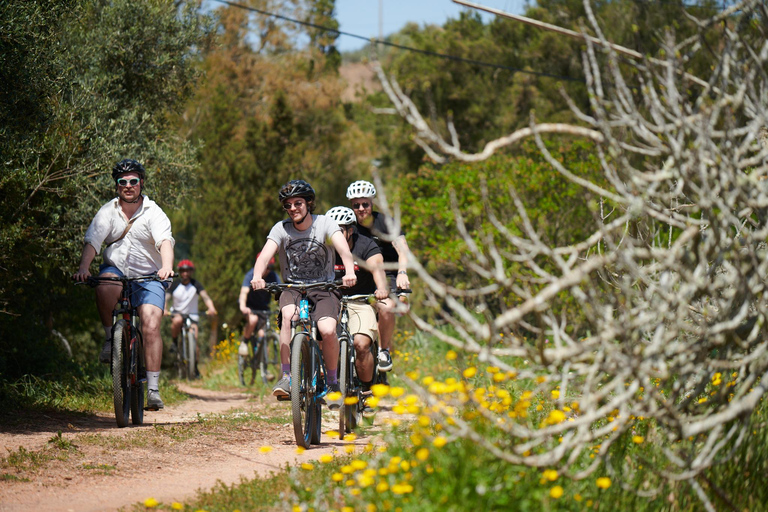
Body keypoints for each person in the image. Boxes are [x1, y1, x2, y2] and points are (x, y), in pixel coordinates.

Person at [73, 159, 174, 411]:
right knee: (104, 285)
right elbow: (93, 242)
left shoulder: (154, 212)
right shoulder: (108, 211)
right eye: (122, 182)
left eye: (133, 181)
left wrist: (167, 266)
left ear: (141, 183)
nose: (128, 186)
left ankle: (152, 389)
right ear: (117, 186)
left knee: (151, 325)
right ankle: (110, 339)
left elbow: (165, 242)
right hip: (116, 270)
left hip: (150, 275)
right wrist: (84, 268)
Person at [251, 180, 357, 410]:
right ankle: (288, 377)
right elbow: (265, 254)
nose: (293, 209)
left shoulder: (325, 223)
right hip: (292, 288)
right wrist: (258, 275)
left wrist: (349, 271)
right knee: (288, 316)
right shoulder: (281, 229)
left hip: (324, 288)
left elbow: (343, 249)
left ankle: (332, 383)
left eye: (298, 203)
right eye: (287, 205)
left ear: (309, 203)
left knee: (328, 330)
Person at [326, 206, 389, 414]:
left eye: (339, 230)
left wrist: (380, 288)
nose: (334, 235)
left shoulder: (365, 245)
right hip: (331, 300)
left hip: (359, 301)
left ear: (350, 231)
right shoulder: (323, 248)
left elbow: (377, 267)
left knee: (361, 344)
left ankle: (366, 391)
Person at [346, 180, 411, 376]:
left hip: (387, 273)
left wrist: (402, 272)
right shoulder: (348, 225)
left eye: (365, 204)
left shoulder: (385, 222)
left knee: (387, 307)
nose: (361, 208)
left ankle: (383, 351)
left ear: (372, 203)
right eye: (356, 205)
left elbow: (403, 248)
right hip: (358, 274)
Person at [164, 259, 217, 378]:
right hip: (178, 313)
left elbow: (205, 297)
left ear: (191, 272)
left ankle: (195, 367)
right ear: (180, 272)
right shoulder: (175, 284)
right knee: (177, 321)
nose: (185, 273)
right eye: (182, 271)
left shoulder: (196, 284)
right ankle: (174, 341)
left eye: (187, 271)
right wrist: (165, 309)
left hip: (192, 315)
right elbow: (166, 298)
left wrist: (211, 308)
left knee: (195, 337)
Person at [238, 252, 280, 380]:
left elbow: (280, 291)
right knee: (253, 320)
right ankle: (245, 342)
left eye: (270, 267)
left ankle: (264, 368)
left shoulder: (273, 276)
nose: (267, 270)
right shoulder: (250, 274)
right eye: (265, 266)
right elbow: (243, 293)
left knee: (263, 335)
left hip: (264, 309)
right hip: (250, 308)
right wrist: (243, 307)